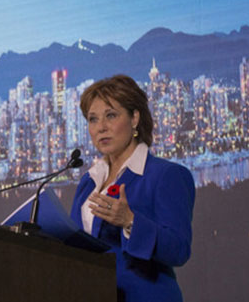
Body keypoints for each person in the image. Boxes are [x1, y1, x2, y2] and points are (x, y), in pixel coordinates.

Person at [69, 74, 195, 302]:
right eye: (93, 119)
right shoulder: (88, 182)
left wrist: (130, 221)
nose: (101, 128)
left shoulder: (166, 175)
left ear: (134, 118)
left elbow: (179, 249)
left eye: (111, 116)